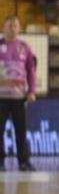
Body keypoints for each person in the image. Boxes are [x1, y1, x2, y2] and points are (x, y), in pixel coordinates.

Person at [0, 16, 37, 171]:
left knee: (21, 130)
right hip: (1, 97)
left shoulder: (25, 47)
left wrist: (32, 91)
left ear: (19, 28)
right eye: (10, 26)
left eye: (15, 26)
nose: (12, 28)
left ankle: (24, 161)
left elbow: (31, 71)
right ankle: (0, 162)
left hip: (19, 97)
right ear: (3, 28)